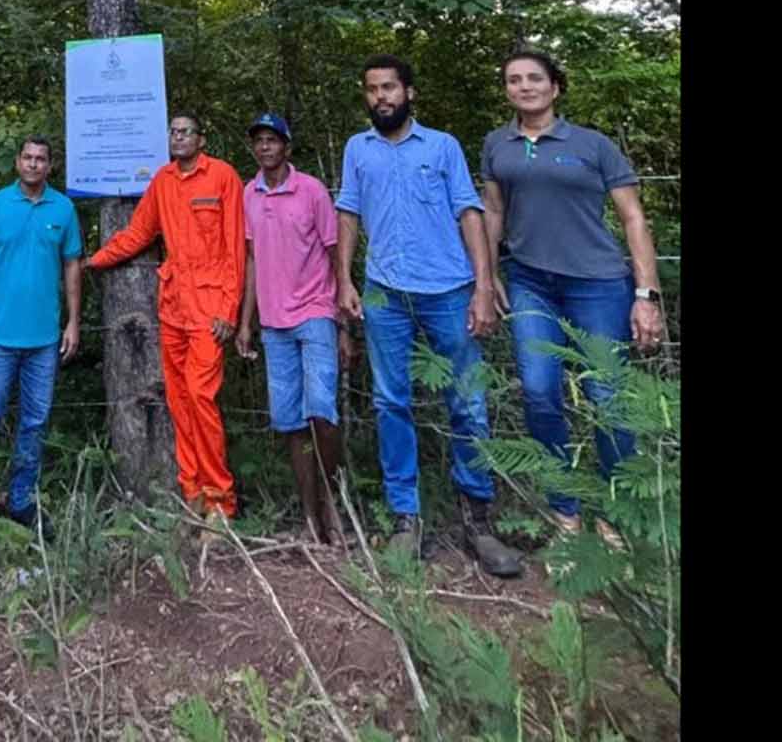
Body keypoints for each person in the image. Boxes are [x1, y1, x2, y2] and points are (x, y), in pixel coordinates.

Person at [335, 56, 525, 576]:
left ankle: (479, 521)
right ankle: (405, 520)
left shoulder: (442, 146)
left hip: (448, 290)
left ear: (409, 93)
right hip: (384, 293)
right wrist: (344, 279)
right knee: (390, 402)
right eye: (373, 89)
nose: (381, 98)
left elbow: (470, 213)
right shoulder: (358, 149)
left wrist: (483, 288)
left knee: (467, 402)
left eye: (390, 88)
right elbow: (348, 213)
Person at [479, 48, 666, 549]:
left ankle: (613, 515)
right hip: (530, 282)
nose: (524, 87)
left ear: (555, 87)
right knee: (539, 392)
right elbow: (493, 212)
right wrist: (487, 273)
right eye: (513, 80)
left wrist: (645, 293)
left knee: (609, 398)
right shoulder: (498, 145)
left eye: (534, 78)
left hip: (599, 284)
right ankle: (565, 512)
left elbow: (632, 219)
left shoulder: (592, 145)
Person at [88, 114, 245, 518]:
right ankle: (192, 490)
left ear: (201, 138)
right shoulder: (163, 181)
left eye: (186, 132)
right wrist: (96, 260)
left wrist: (229, 308)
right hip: (173, 307)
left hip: (210, 310)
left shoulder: (224, 177)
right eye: (173, 132)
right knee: (178, 400)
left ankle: (220, 500)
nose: (178, 137)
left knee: (201, 397)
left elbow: (235, 249)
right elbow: (138, 234)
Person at [0, 137, 82, 574]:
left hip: (44, 338)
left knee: (35, 422)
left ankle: (20, 503)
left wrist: (73, 322)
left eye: (41, 159)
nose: (34, 164)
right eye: (27, 157)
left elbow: (71, 266)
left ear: (50, 165)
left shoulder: (62, 209)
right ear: (16, 162)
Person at [232, 112, 348, 543]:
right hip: (273, 322)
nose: (265, 147)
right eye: (258, 141)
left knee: (322, 411)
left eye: (272, 140)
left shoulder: (312, 190)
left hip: (315, 311)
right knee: (290, 421)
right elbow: (251, 259)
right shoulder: (249, 194)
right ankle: (308, 516)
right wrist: (246, 321)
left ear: (287, 147)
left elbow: (336, 252)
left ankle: (332, 502)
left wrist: (343, 321)